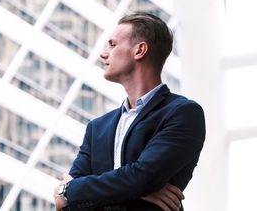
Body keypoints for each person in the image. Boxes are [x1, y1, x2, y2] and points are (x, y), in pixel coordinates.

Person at [53, 13, 206, 211]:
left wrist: (70, 189)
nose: (103, 53)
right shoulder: (97, 128)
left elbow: (143, 177)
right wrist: (135, 187)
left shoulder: (183, 114)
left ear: (139, 50)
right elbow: (65, 205)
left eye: (113, 44)